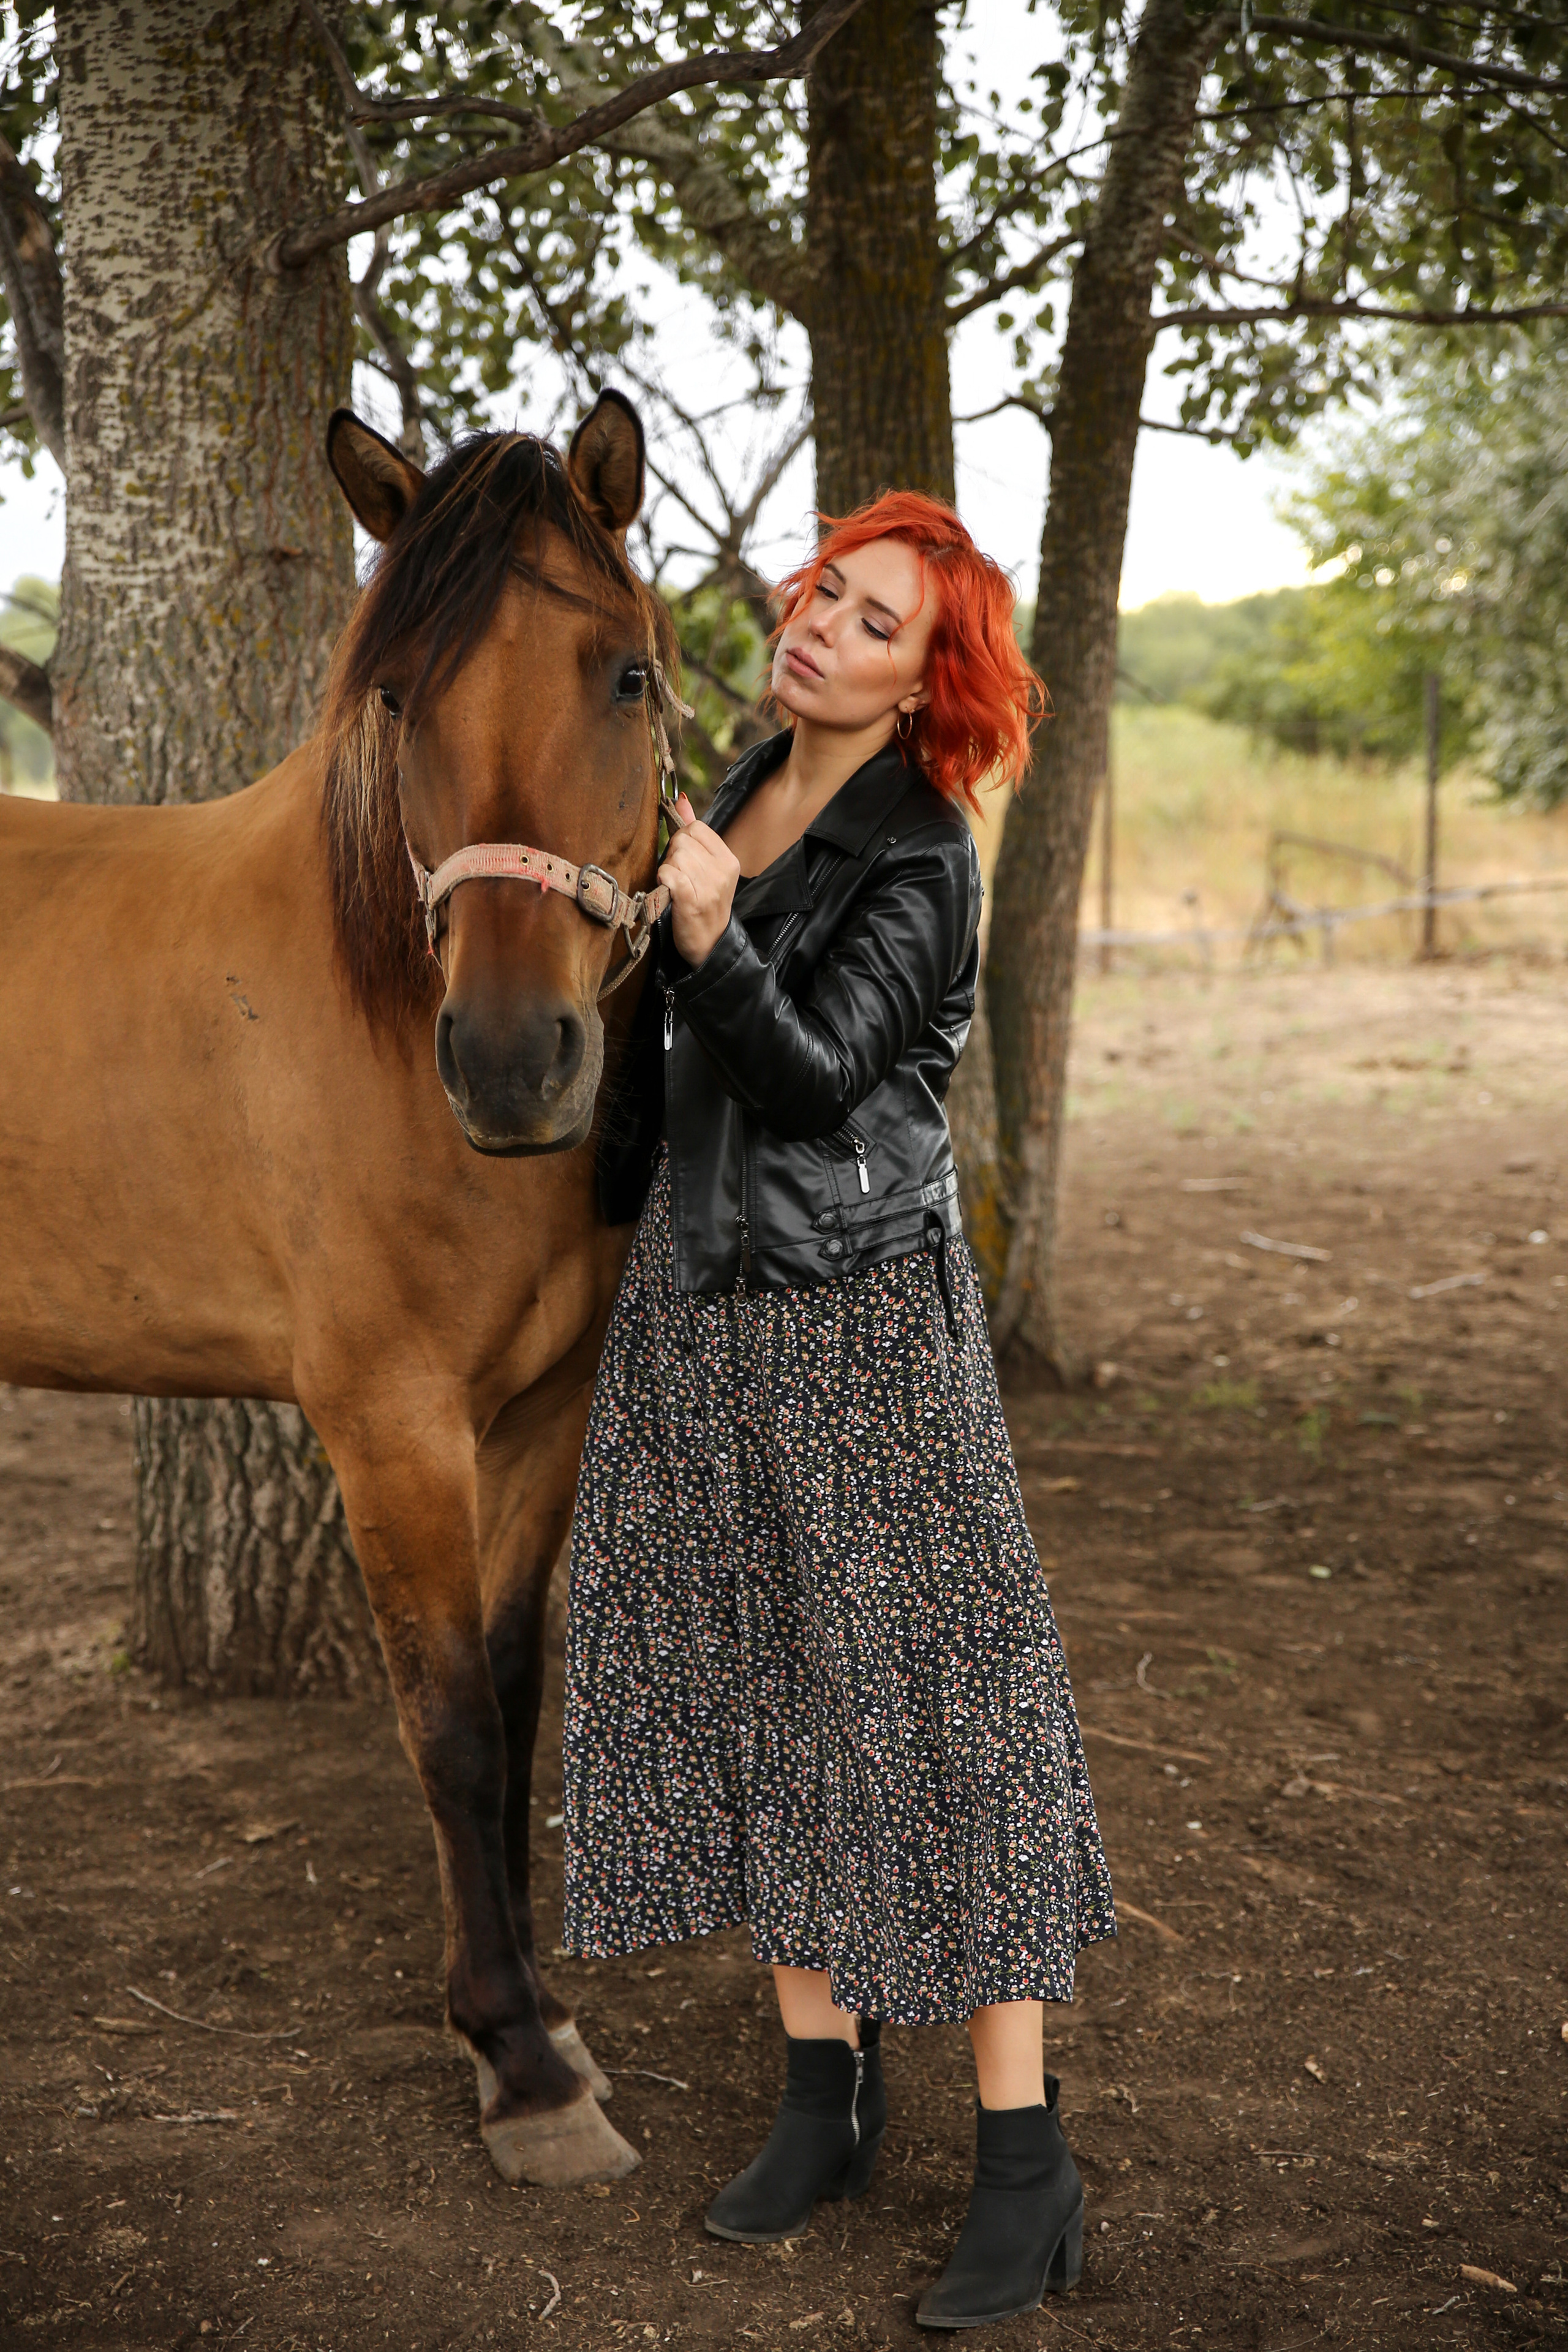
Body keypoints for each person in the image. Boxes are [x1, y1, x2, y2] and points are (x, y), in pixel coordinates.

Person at [563, 489, 1117, 2330]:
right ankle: (827, 2102)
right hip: (703, 1315)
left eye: (874, 622)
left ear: (923, 682)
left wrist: (713, 943)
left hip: (861, 1331)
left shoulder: (924, 849)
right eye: (821, 594)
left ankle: (1026, 2170)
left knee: (944, 1715)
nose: (821, 626)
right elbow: (677, 1070)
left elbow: (811, 1090)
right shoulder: (731, 786)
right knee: (758, 1685)